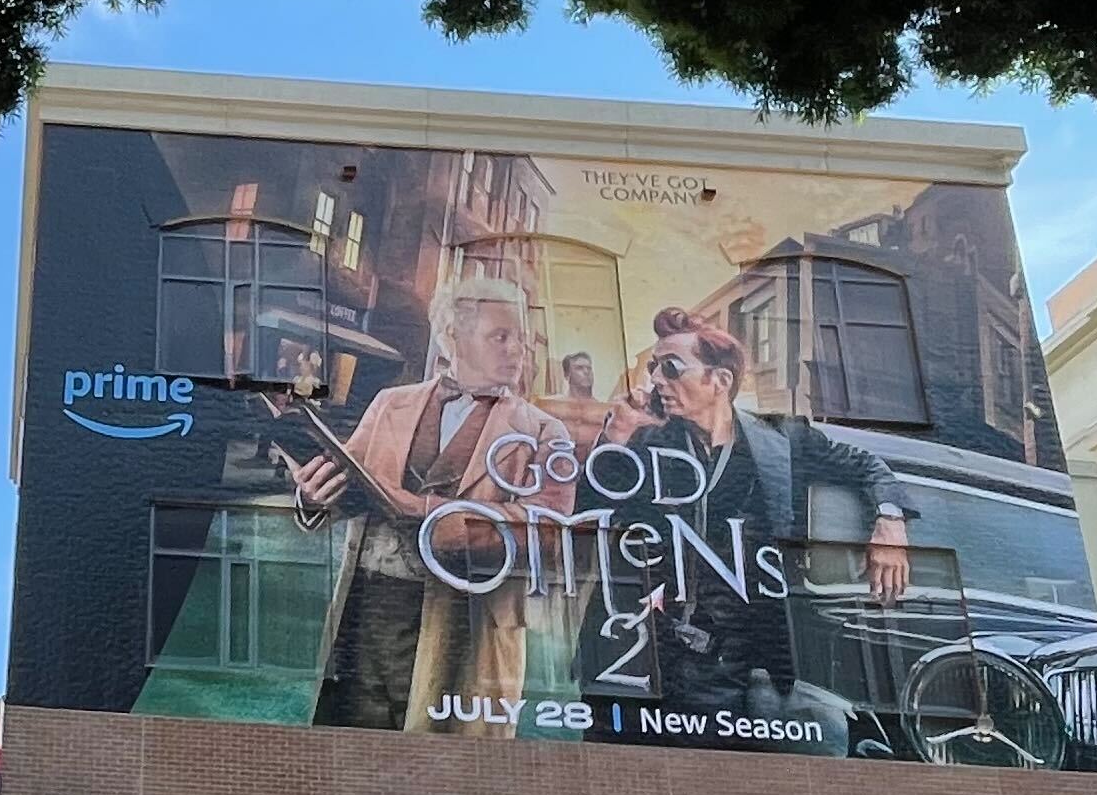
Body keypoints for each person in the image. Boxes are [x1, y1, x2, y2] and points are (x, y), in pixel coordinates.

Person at [288, 274, 581, 732]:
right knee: (351, 744)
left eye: (520, 338)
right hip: (368, 608)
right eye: (499, 336)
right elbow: (352, 486)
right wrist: (314, 496)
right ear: (451, 338)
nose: (516, 350)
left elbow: (547, 531)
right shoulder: (390, 403)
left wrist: (430, 514)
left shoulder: (545, 431)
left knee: (445, 766)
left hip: (467, 624)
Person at [590, 313, 914, 725]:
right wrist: (614, 441)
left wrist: (889, 521)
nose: (655, 379)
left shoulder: (782, 440)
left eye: (670, 367)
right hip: (650, 654)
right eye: (653, 367)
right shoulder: (648, 442)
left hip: (739, 663)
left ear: (720, 381)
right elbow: (589, 515)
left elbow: (866, 465)